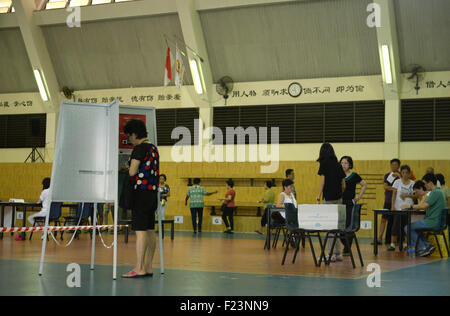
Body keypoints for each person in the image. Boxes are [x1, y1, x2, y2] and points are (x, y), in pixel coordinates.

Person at [121, 119, 159, 278]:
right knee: (150, 230)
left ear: (135, 134)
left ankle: (139, 268)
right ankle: (148, 266)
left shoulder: (139, 149)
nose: (129, 139)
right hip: (152, 194)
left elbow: (132, 172)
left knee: (140, 231)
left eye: (129, 135)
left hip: (140, 194)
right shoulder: (153, 148)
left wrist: (126, 167)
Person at [403, 173, 446, 257]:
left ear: (430, 183)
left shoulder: (435, 192)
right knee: (415, 229)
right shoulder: (438, 192)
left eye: (425, 184)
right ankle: (427, 246)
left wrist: (410, 206)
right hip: (435, 221)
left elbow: (423, 206)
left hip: (433, 222)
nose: (425, 186)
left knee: (407, 228)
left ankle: (423, 247)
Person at [316, 143, 346, 262]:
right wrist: (339, 195)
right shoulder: (338, 165)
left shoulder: (324, 164)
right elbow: (343, 184)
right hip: (339, 199)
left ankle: (330, 254)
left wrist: (318, 197)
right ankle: (338, 253)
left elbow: (322, 182)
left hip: (328, 199)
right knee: (336, 227)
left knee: (329, 228)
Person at [340, 156, 366, 255]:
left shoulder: (354, 175)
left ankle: (347, 248)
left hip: (349, 203)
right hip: (340, 202)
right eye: (342, 163)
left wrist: (358, 197)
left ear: (350, 164)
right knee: (339, 227)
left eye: (345, 163)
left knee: (348, 226)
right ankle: (346, 246)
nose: (343, 165)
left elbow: (364, 184)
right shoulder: (338, 175)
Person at [374, 159, 401, 246]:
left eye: (395, 165)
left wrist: (399, 176)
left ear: (398, 166)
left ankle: (394, 240)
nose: (394, 166)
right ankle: (379, 238)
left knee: (395, 221)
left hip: (397, 202)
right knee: (383, 219)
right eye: (392, 164)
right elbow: (385, 186)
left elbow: (402, 186)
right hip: (388, 200)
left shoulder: (401, 175)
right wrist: (394, 189)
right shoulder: (388, 175)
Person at [389, 165, 415, 252]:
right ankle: (392, 244)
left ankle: (406, 244)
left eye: (406, 173)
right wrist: (392, 206)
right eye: (403, 172)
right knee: (395, 225)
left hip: (408, 208)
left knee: (406, 226)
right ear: (401, 173)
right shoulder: (397, 182)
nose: (404, 174)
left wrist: (407, 195)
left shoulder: (413, 183)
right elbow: (394, 194)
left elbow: (416, 196)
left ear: (409, 173)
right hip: (398, 207)